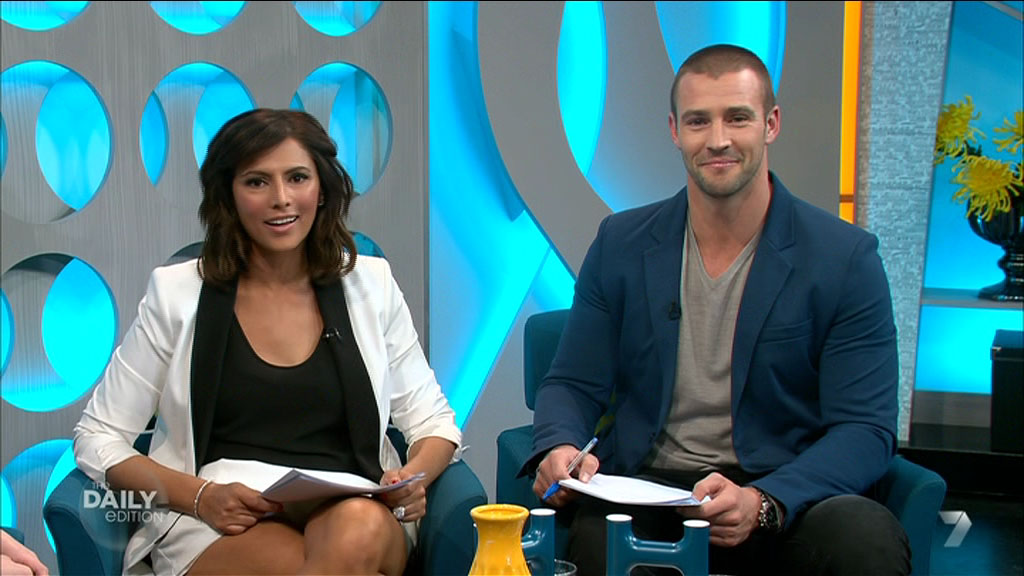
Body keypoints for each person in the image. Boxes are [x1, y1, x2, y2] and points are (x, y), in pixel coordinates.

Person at [528, 44, 910, 575]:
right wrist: (561, 444)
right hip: (652, 491)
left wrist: (765, 501)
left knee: (864, 538)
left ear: (771, 124)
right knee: (597, 540)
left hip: (786, 495)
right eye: (698, 121)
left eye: (737, 118)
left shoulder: (844, 258)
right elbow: (572, 382)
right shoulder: (621, 243)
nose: (718, 139)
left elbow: (865, 429)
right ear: (674, 130)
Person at [74, 108, 461, 575]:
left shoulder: (371, 285)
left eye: (297, 178)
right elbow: (98, 437)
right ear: (228, 195)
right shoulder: (177, 294)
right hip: (225, 517)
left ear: (322, 190)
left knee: (357, 528)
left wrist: (411, 477)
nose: (281, 199)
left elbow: (433, 423)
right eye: (257, 182)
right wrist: (199, 497)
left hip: (356, 503)